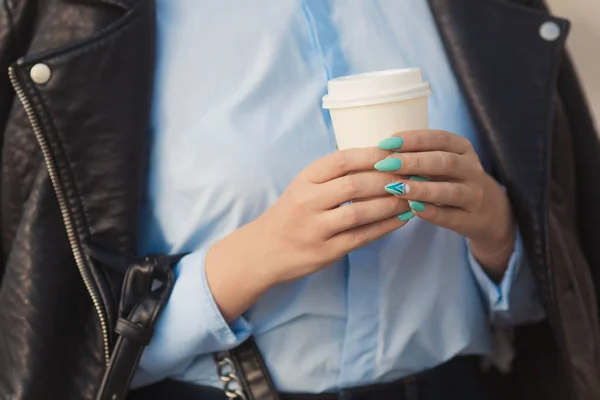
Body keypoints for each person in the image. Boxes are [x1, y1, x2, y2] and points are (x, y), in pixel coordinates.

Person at [0, 0, 599, 400]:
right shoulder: (63, 17)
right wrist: (248, 263)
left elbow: (566, 275)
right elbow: (40, 325)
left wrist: (501, 235)